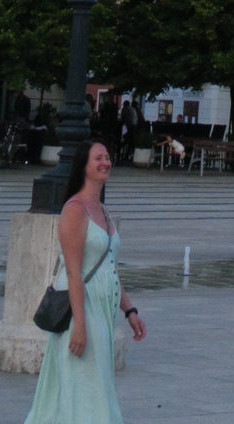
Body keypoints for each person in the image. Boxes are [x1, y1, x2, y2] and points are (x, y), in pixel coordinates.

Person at [24, 139, 147, 423]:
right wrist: (79, 325)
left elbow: (110, 268)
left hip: (103, 310)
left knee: (96, 385)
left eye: (107, 157)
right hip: (83, 310)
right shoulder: (75, 210)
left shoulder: (101, 210)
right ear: (84, 167)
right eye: (98, 158)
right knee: (86, 388)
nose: (106, 162)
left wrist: (129, 311)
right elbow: (73, 272)